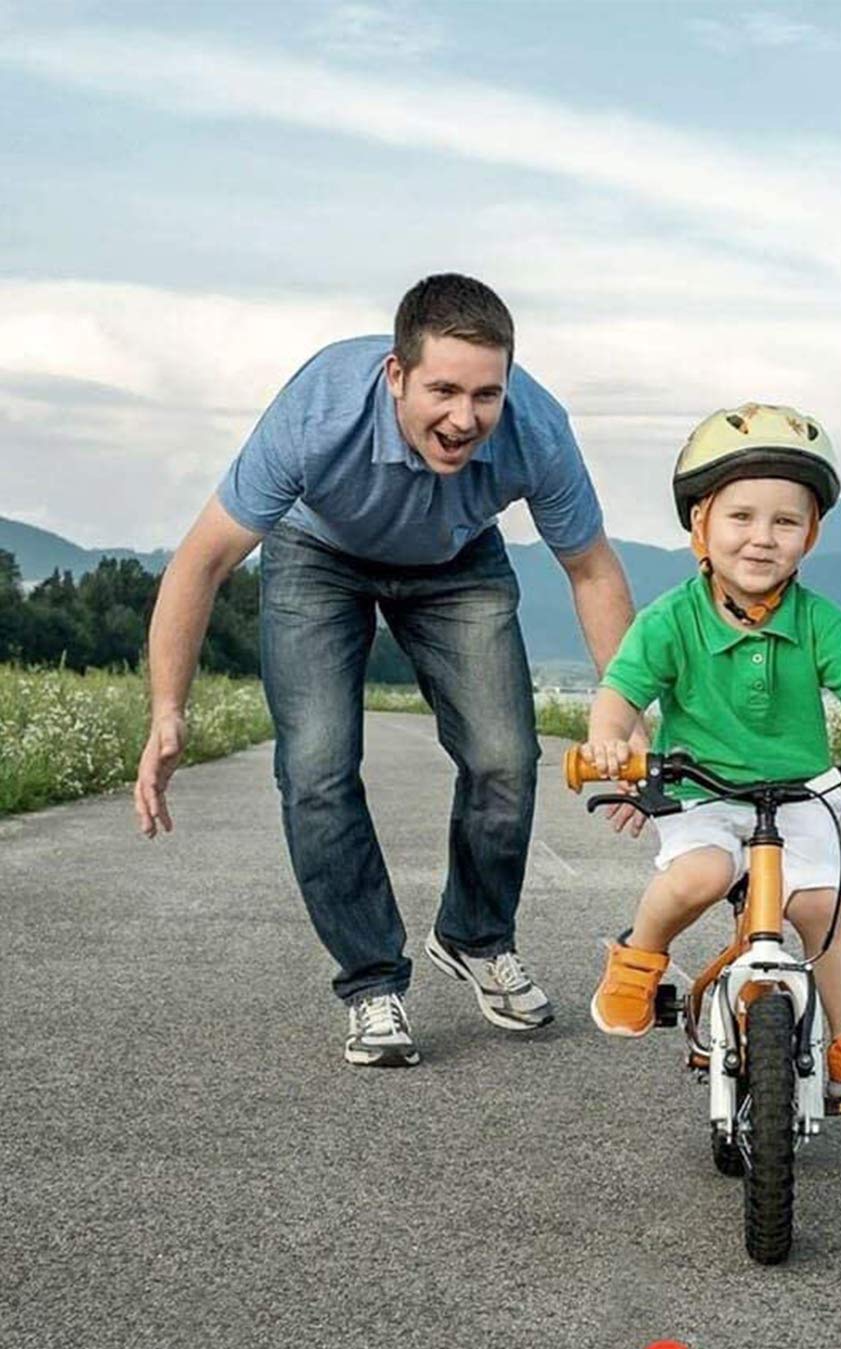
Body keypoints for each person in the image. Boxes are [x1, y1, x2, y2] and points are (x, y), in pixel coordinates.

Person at [133, 274, 641, 1068]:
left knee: (506, 755)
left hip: (457, 557)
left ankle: (475, 936)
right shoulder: (318, 414)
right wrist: (169, 709)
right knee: (318, 766)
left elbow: (592, 570)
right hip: (318, 553)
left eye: (485, 395)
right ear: (396, 376)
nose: (464, 418)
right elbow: (202, 562)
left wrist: (628, 707)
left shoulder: (537, 427)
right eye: (442, 389)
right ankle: (373, 981)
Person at [579, 403, 841, 1101]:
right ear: (699, 528)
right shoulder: (671, 620)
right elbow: (621, 688)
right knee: (700, 874)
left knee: (821, 907)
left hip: (803, 792)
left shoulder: (819, 620)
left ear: (812, 534)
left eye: (785, 521)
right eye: (740, 518)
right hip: (701, 790)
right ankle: (638, 959)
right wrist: (608, 740)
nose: (762, 539)